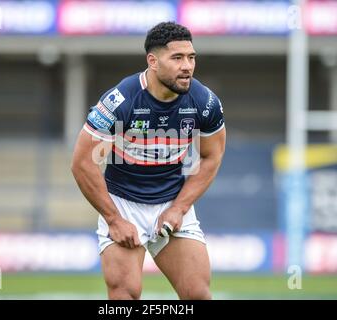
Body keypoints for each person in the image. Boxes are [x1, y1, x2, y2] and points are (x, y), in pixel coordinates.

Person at [71, 21, 226, 300]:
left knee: (198, 295)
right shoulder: (121, 101)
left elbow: (212, 156)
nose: (187, 66)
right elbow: (83, 163)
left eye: (191, 57)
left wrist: (179, 208)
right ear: (153, 61)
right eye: (177, 58)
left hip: (171, 199)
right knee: (125, 295)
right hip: (123, 204)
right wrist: (114, 219)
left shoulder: (204, 102)